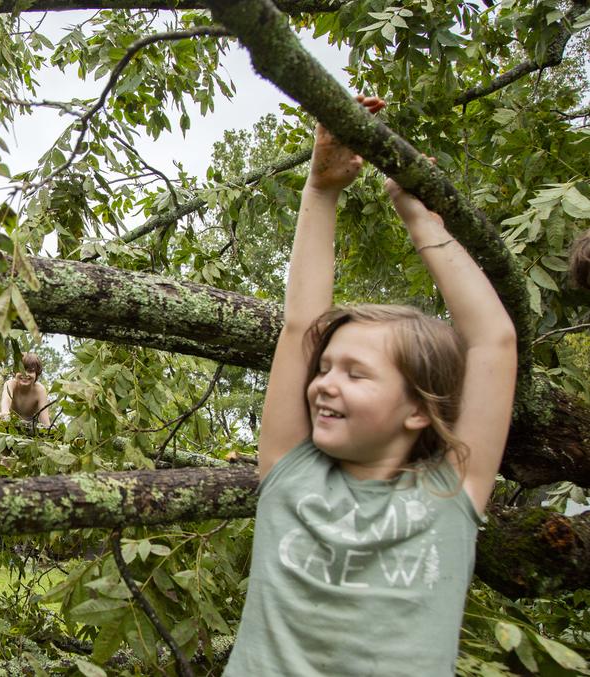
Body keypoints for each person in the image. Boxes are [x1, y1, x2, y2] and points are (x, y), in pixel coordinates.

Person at [223, 95, 517, 676]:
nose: (324, 384)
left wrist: (419, 214)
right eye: (326, 367)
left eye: (356, 374)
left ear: (417, 410)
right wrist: (320, 189)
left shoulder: (452, 492)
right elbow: (302, 324)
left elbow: (492, 342)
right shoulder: (288, 469)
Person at [0, 352, 50, 426]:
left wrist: (50, 432)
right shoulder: (10, 384)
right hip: (10, 424)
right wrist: (5, 413)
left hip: (30, 428)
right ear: (15, 372)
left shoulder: (40, 390)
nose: (25, 374)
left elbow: (45, 422)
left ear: (36, 373)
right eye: (21, 370)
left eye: (30, 371)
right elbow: (6, 400)